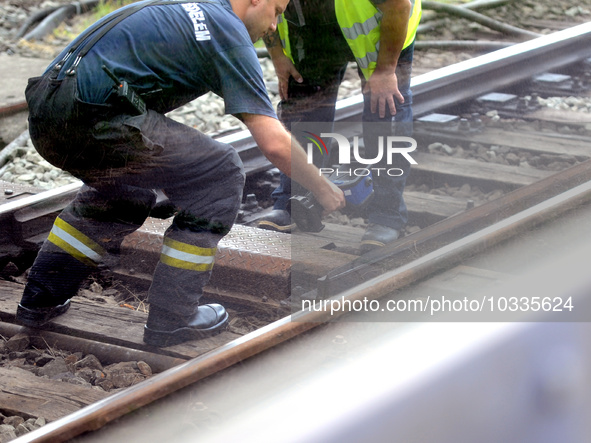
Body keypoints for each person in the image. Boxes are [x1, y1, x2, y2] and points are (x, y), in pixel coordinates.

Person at [15, 0, 345, 347]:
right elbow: (274, 142)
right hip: (99, 117)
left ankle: (41, 297)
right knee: (219, 172)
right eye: (277, 11)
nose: (276, 26)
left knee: (124, 190)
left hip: (47, 113)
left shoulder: (189, 7)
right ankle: (174, 317)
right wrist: (322, 188)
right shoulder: (227, 30)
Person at [258, 0, 421, 253]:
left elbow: (399, 7)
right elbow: (258, 6)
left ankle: (387, 214)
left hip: (383, 25)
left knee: (385, 116)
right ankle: (292, 201)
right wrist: (278, 55)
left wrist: (386, 70)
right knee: (304, 111)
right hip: (311, 31)